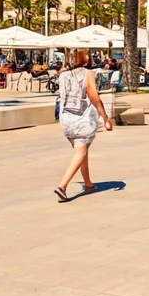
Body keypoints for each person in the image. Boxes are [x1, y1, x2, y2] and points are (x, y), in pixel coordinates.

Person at [53, 50, 113, 202]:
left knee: (81, 150)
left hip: (66, 119)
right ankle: (62, 187)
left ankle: (88, 183)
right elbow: (93, 95)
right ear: (85, 60)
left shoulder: (63, 75)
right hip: (82, 119)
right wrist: (105, 117)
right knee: (80, 152)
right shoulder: (88, 73)